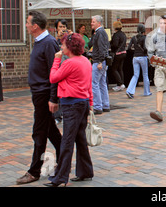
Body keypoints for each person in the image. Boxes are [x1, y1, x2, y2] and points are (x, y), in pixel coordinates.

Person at [17, 11, 62, 185]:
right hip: (38, 94)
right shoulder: (39, 42)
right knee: (50, 131)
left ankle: (34, 171)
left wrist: (53, 98)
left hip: (44, 94)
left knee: (39, 132)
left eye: (28, 23)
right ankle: (64, 156)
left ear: (35, 26)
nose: (26, 25)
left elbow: (55, 72)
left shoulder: (49, 42)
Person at [44, 33, 94, 186]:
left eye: (63, 44)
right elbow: (89, 84)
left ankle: (60, 178)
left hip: (72, 105)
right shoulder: (85, 61)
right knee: (80, 138)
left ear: (70, 47)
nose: (61, 47)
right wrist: (90, 102)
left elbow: (53, 77)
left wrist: (56, 59)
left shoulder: (69, 63)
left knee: (67, 141)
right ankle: (85, 171)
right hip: (83, 103)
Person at [89, 15, 110, 115]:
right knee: (102, 83)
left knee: (95, 84)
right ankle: (105, 105)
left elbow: (102, 48)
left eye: (93, 22)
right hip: (101, 61)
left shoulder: (100, 33)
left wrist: (100, 61)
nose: (91, 23)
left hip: (98, 61)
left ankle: (98, 106)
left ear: (98, 23)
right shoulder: (101, 32)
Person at [126, 24, 151, 99]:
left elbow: (129, 48)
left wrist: (135, 51)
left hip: (135, 57)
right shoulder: (144, 38)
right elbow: (145, 48)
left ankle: (129, 90)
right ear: (143, 30)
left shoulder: (133, 38)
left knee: (135, 75)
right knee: (145, 74)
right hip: (143, 57)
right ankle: (147, 92)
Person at [110, 21, 127, 92]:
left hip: (117, 53)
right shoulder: (123, 34)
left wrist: (111, 45)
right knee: (120, 69)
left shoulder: (116, 35)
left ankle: (120, 84)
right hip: (124, 53)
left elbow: (115, 45)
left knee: (114, 69)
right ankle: (121, 84)